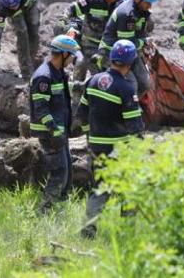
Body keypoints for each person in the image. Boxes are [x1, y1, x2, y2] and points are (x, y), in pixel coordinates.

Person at [73, 39, 144, 238]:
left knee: (100, 188)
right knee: (129, 187)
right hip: (119, 147)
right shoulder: (126, 88)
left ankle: (88, 229)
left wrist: (89, 138)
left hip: (96, 145)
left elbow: (81, 114)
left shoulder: (93, 81)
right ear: (130, 64)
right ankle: (128, 232)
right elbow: (135, 125)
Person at [54, 0, 124, 108]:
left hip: (105, 50)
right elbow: (71, 10)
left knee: (102, 79)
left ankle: (98, 107)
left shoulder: (121, 6)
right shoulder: (91, 0)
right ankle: (74, 106)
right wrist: (64, 22)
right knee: (79, 67)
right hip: (86, 45)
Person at [29, 35, 81, 211]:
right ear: (64, 54)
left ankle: (60, 209)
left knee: (67, 173)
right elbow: (41, 109)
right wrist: (53, 131)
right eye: (72, 55)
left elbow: (65, 93)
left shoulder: (59, 73)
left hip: (60, 131)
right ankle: (45, 210)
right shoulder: (43, 77)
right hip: (50, 132)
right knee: (59, 173)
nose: (73, 59)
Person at [98, 0, 158, 98]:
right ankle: (125, 110)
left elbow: (139, 33)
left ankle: (131, 105)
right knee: (131, 85)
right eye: (148, 2)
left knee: (145, 84)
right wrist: (145, 42)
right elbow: (127, 43)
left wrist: (146, 42)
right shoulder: (126, 14)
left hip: (129, 53)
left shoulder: (142, 10)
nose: (150, 6)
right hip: (112, 53)